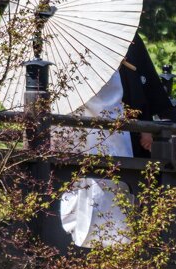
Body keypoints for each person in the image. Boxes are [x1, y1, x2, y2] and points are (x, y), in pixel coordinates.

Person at [56, 70, 133, 247]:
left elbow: (105, 102)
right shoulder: (102, 64)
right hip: (87, 137)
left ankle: (104, 242)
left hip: (99, 138)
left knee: (101, 189)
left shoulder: (94, 67)